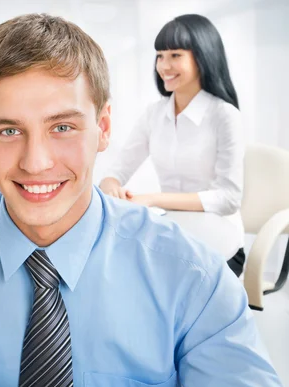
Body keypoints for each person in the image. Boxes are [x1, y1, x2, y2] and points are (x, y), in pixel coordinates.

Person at [0, 14, 285, 387]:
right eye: (9, 132)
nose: (36, 163)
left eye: (63, 127)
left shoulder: (191, 275)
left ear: (103, 127)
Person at [99, 14, 246, 276]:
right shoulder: (154, 114)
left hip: (220, 241)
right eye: (160, 55)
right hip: (175, 233)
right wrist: (111, 185)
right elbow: (117, 170)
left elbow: (229, 198)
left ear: (203, 56)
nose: (164, 65)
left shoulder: (224, 116)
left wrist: (153, 198)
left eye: (175, 55)